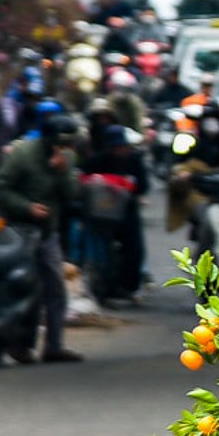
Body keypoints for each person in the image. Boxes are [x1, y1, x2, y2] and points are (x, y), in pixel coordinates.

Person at [0, 114, 84, 364]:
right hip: (20, 231)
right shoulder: (23, 155)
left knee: (55, 290)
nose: (66, 149)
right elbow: (0, 187)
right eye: (61, 144)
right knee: (27, 289)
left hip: (47, 233)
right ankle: (20, 344)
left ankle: (54, 346)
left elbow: (73, 194)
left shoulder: (67, 159)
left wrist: (62, 171)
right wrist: (26, 207)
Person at [83, 124, 149, 305]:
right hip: (102, 213)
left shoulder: (134, 160)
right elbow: (85, 180)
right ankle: (105, 288)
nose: (120, 151)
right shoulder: (98, 160)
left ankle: (130, 287)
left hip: (127, 210)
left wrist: (128, 186)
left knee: (134, 250)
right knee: (101, 252)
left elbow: (143, 185)